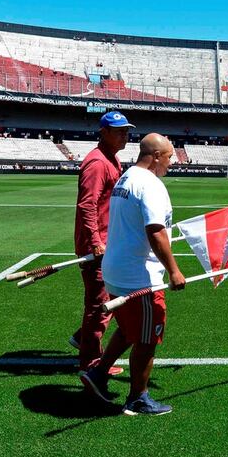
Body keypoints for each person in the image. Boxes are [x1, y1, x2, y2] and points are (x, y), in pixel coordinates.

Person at [81, 133, 185, 416]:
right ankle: (138, 398)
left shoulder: (127, 178)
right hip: (139, 275)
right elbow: (155, 231)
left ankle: (98, 373)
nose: (171, 163)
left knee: (129, 328)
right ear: (154, 157)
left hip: (117, 269)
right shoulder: (150, 184)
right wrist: (174, 271)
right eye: (168, 158)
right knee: (148, 336)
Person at [70, 111, 133, 375]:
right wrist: (96, 242)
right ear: (103, 132)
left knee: (108, 299)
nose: (125, 136)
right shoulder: (97, 163)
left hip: (109, 240)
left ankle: (82, 337)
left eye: (126, 131)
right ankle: (91, 362)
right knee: (99, 304)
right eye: (119, 131)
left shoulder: (112, 159)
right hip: (97, 245)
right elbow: (87, 205)